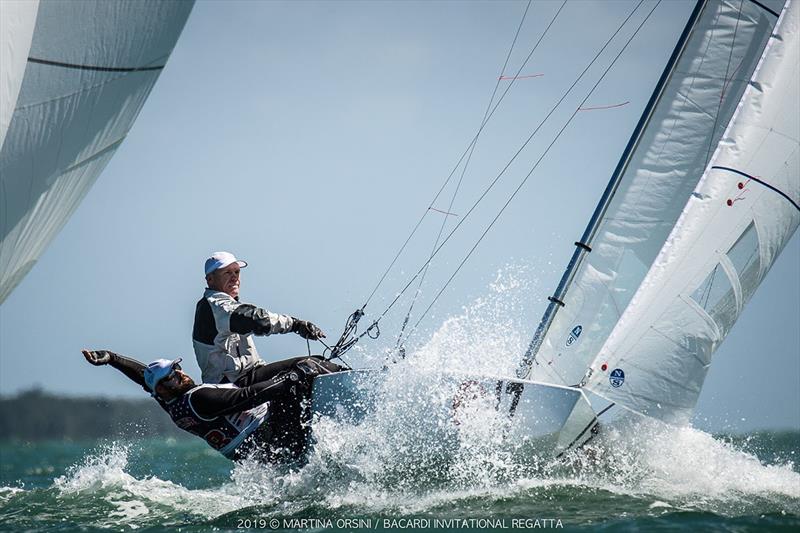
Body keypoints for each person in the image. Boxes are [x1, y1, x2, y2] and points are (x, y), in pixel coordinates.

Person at [81, 349, 341, 463]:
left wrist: (113, 358)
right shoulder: (199, 398)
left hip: (259, 455)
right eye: (172, 376)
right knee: (302, 376)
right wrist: (294, 377)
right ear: (163, 388)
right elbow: (248, 397)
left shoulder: (172, 403)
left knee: (298, 374)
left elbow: (144, 378)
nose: (181, 375)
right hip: (273, 441)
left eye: (177, 369)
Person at [193, 251, 326, 386]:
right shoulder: (216, 306)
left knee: (308, 369)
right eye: (227, 273)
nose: (234, 278)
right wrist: (296, 324)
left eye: (236, 272)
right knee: (312, 365)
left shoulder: (225, 305)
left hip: (249, 376)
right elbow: (259, 320)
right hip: (232, 385)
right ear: (210, 279)